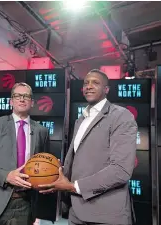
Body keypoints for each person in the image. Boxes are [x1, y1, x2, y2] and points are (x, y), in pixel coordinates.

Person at [39, 69, 137, 225]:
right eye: (86, 83)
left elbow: (121, 170)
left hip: (106, 215)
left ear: (106, 90)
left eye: (96, 83)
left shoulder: (121, 116)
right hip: (76, 212)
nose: (89, 86)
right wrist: (56, 174)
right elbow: (84, 161)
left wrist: (73, 187)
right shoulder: (81, 119)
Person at [0, 82, 49, 225]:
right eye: (17, 95)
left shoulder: (41, 131)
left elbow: (43, 165)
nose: (22, 99)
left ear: (32, 102)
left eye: (26, 96)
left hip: (24, 206)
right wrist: (6, 176)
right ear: (11, 101)